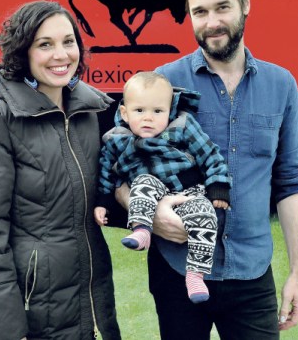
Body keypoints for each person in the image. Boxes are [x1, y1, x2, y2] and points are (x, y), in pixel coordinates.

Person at [117, 0, 298, 339]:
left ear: (246, 4)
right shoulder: (162, 85)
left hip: (252, 272)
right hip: (177, 270)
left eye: (222, 7)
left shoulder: (282, 85)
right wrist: (150, 212)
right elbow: (119, 166)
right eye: (200, 11)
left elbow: (291, 183)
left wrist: (297, 274)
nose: (211, 23)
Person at [0, 0, 121, 340]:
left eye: (68, 41)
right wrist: (4, 331)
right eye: (44, 44)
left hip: (90, 304)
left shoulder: (87, 113)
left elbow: (99, 197)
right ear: (23, 52)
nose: (61, 55)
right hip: (32, 313)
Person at [93, 71, 231, 304]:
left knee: (207, 216)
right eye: (139, 111)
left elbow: (211, 155)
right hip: (150, 193)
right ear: (125, 113)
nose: (148, 118)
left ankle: (196, 274)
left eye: (158, 111)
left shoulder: (183, 127)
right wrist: (103, 202)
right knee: (143, 183)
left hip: (189, 191)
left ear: (170, 111)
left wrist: (218, 185)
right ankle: (142, 230)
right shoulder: (116, 139)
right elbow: (107, 172)